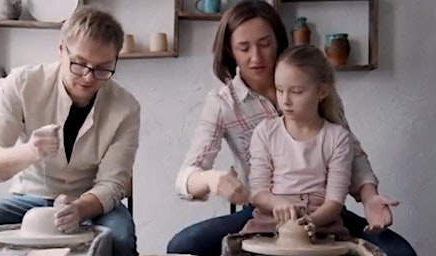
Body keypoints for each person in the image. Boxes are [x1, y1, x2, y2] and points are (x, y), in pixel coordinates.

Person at [167, 1, 416, 256]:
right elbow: (185, 177)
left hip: (325, 210)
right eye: (244, 48)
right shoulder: (223, 103)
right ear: (230, 51)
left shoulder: (313, 84)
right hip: (266, 209)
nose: (256, 57)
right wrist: (210, 179)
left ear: (278, 40)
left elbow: (352, 154)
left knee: (401, 253)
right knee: (183, 246)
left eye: (265, 44)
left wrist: (370, 198)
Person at [0, 6, 140, 256]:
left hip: (90, 203)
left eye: (102, 68)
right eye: (79, 63)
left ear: (115, 60)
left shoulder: (126, 107)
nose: (88, 77)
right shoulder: (22, 83)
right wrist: (29, 152)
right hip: (29, 197)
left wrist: (78, 208)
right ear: (61, 50)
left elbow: (112, 184)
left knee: (120, 238)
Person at [221, 44, 356, 255]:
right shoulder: (266, 132)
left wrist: (310, 222)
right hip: (269, 223)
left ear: (321, 91)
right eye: (280, 90)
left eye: (296, 92)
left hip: (322, 225)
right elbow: (258, 192)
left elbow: (335, 201)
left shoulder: (337, 137)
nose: (285, 100)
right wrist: (278, 203)